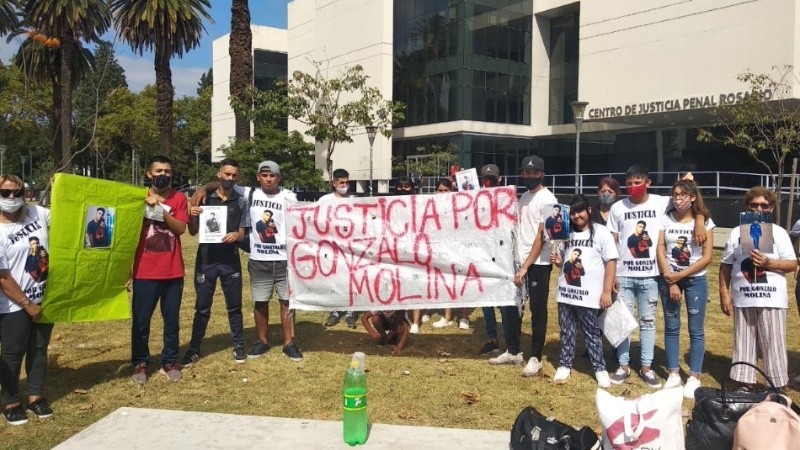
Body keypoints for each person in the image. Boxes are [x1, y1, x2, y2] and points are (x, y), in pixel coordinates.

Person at [606, 165, 705, 389]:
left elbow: (689, 200)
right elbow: (613, 241)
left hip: (651, 275)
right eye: (629, 183)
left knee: (648, 322)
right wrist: (612, 273)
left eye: (637, 182)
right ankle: (622, 365)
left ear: (648, 183)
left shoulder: (661, 202)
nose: (633, 187)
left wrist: (699, 218)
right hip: (624, 275)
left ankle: (647, 366)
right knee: (623, 321)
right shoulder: (618, 208)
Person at [719, 187, 796, 389]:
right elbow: (726, 264)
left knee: (773, 342)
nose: (759, 209)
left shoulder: (779, 233)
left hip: (771, 297)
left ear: (770, 207)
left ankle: (776, 385)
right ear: (747, 206)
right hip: (744, 296)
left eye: (764, 205)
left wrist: (768, 264)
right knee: (744, 341)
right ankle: (745, 383)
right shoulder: (736, 232)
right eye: (754, 205)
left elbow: (792, 264)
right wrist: (724, 293)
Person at [181, 158, 250, 368]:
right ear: (219, 174)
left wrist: (235, 237)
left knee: (235, 307)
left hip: (230, 262)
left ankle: (239, 346)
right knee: (202, 308)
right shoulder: (204, 199)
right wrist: (192, 215)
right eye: (226, 174)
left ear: (237, 178)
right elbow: (193, 231)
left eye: (234, 175)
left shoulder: (241, 201)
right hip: (206, 261)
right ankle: (194, 349)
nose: (230, 178)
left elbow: (242, 233)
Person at [0, 174, 53, 425]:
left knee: (39, 349)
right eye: (5, 193)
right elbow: (2, 277)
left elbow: (72, 216)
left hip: (45, 297)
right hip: (13, 303)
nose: (12, 198)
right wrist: (27, 304)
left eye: (16, 192)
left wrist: (61, 188)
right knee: (13, 352)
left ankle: (35, 397)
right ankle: (10, 402)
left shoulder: (38, 214)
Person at [131, 155, 188, 383]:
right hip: (145, 270)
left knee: (171, 320)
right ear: (149, 174)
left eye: (167, 171)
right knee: (141, 321)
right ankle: (140, 363)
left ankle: (169, 361)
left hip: (173, 271)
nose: (163, 175)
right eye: (158, 171)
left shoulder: (179, 198)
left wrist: (161, 210)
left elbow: (181, 228)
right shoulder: (138, 198)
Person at [656, 179, 714, 399]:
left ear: (692, 198)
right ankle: (673, 374)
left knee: (696, 329)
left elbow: (708, 257)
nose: (678, 199)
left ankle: (694, 376)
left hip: (695, 280)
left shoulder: (705, 222)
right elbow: (660, 248)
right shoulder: (665, 218)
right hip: (669, 279)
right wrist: (671, 280)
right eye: (675, 194)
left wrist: (681, 276)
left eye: (683, 195)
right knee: (671, 326)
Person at [550, 195, 616, 387]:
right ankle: (564, 364)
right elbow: (563, 263)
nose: (576, 216)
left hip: (590, 296)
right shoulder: (566, 234)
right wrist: (559, 262)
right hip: (566, 293)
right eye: (572, 213)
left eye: (579, 211)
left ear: (588, 210)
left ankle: (599, 368)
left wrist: (606, 291)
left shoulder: (602, 233)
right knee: (567, 331)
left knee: (592, 332)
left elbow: (611, 262)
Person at [244, 160, 303, 361]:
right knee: (260, 301)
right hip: (259, 258)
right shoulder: (250, 194)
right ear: (258, 177)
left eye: (273, 175)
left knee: (286, 301)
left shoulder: (289, 196)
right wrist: (201, 191)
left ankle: (289, 342)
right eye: (264, 175)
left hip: (284, 258)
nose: (268, 179)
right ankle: (262, 340)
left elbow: (301, 220)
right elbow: (222, 184)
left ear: (279, 177)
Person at [505, 155, 557, 377]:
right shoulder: (523, 197)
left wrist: (526, 265)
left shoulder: (548, 199)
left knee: (537, 310)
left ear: (541, 174)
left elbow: (541, 237)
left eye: (533, 173)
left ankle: (535, 356)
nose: (529, 176)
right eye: (525, 173)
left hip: (538, 263)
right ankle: (514, 350)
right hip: (520, 260)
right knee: (513, 307)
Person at [476, 164, 510, 354]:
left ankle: (508, 340)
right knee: (486, 300)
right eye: (485, 179)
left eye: (492, 178)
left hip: (502, 257)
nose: (488, 182)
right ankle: (492, 338)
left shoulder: (507, 199)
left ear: (500, 179)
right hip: (484, 255)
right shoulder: (477, 200)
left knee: (504, 302)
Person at [319, 168, 357, 329]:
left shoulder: (354, 200)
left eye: (347, 182)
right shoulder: (325, 200)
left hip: (350, 248)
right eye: (341, 182)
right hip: (331, 248)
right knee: (334, 280)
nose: (345, 185)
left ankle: (350, 313)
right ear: (334, 183)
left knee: (350, 280)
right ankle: (334, 312)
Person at [430, 178, 470, 330]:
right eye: (440, 190)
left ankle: (464, 316)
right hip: (442, 248)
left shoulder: (460, 206)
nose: (443, 193)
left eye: (446, 191)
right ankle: (447, 316)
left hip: (459, 248)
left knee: (461, 282)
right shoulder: (432, 207)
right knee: (445, 282)